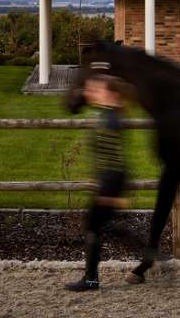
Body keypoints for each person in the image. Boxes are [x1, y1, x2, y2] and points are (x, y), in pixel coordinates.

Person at [64, 73, 133, 292]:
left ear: (111, 94)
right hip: (109, 179)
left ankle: (91, 279)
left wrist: (110, 191)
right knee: (100, 225)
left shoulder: (111, 119)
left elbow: (114, 159)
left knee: (94, 226)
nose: (93, 92)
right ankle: (148, 253)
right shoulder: (109, 115)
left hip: (111, 180)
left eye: (98, 90)